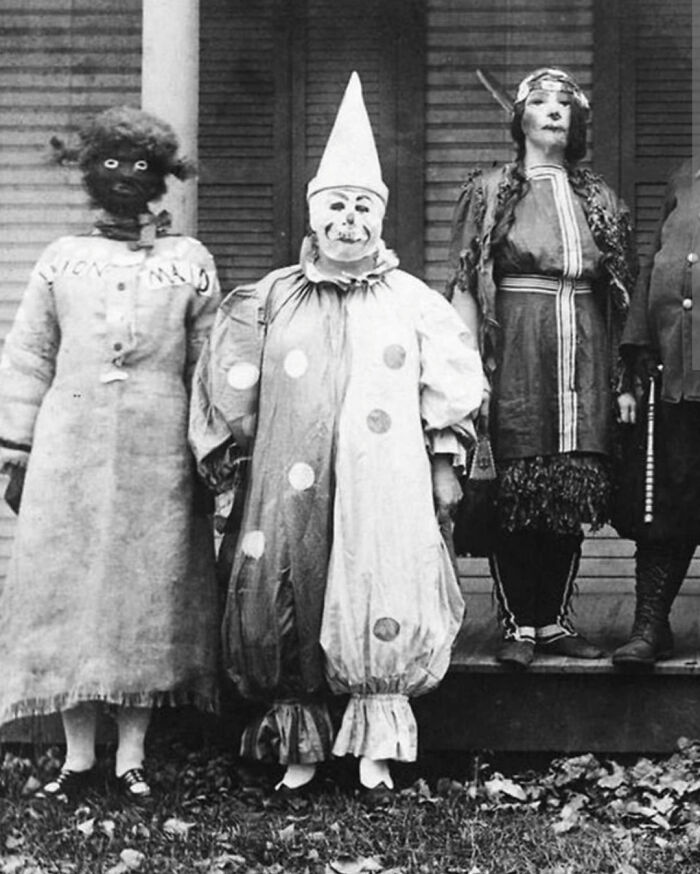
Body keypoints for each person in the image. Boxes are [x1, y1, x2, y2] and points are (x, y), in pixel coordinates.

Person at [190, 72, 482, 797]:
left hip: (383, 475)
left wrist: (446, 460)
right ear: (314, 217)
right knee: (290, 579)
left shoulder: (411, 299)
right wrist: (231, 464)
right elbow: (232, 381)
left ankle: (376, 744)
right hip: (290, 474)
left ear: (379, 221)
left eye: (362, 209)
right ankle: (301, 741)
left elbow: (448, 382)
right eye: (336, 209)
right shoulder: (272, 297)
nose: (349, 221)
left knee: (376, 576)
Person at [0, 106, 221, 802]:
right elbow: (31, 354)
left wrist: (211, 449)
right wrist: (17, 447)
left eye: (142, 166)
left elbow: (211, 361)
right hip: (71, 442)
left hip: (159, 447)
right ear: (92, 172)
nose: (127, 178)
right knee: (68, 587)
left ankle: (131, 754)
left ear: (163, 177)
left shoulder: (189, 260)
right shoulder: (62, 257)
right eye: (113, 164)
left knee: (147, 590)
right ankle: (76, 756)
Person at [446, 67, 636, 669]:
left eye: (564, 103)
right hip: (518, 349)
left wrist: (623, 376)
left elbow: (622, 290)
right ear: (520, 119)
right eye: (540, 101)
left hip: (584, 350)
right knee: (515, 488)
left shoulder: (599, 199)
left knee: (567, 489)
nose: (553, 110)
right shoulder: (491, 189)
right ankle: (516, 625)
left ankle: (552, 623)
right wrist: (467, 369)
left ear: (577, 123)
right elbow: (469, 286)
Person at [612, 159, 700, 667]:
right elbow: (652, 267)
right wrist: (638, 354)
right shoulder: (684, 177)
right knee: (666, 499)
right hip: (676, 377)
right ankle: (650, 624)